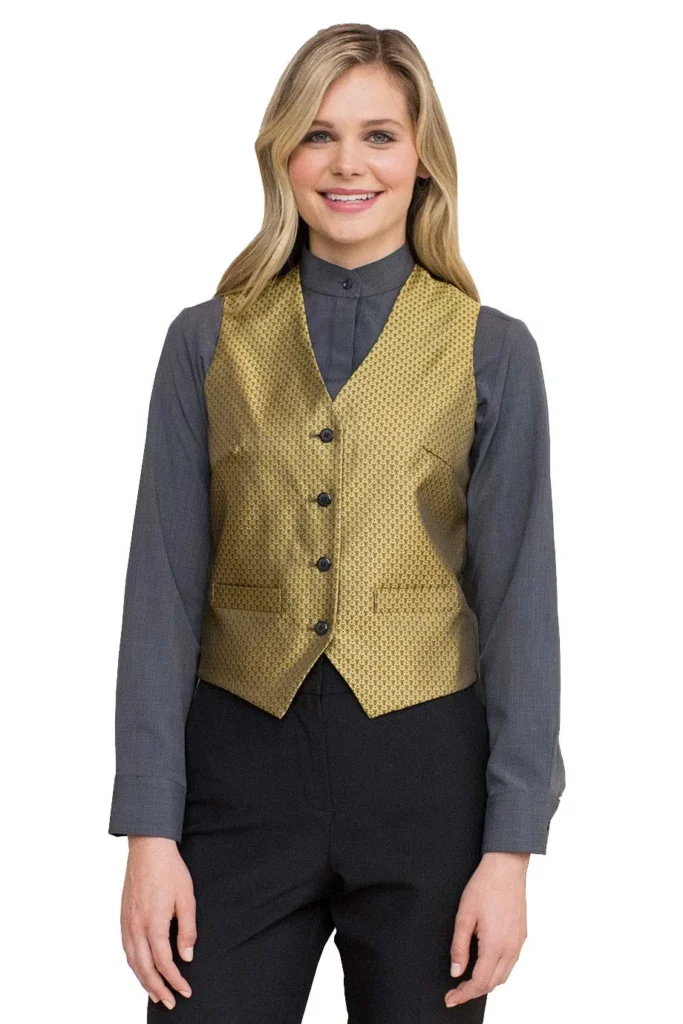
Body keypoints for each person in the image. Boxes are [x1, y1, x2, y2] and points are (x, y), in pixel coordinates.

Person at [108, 23, 566, 1023]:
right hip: (236, 777)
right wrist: (148, 832)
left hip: (426, 782)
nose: (347, 163)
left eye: (378, 135)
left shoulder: (492, 351)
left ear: (422, 158)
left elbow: (519, 610)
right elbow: (162, 593)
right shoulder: (204, 342)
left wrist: (509, 850)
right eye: (318, 134)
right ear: (282, 154)